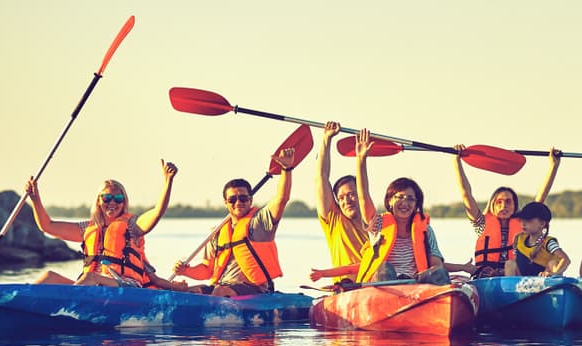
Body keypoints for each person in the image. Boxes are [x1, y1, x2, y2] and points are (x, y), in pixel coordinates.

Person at [25, 159, 178, 287]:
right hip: (94, 288)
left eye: (118, 199)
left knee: (90, 278)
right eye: (106, 198)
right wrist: (35, 198)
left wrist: (168, 182)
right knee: (49, 276)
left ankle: (71, 305)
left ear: (124, 202)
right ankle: (21, 302)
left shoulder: (132, 225)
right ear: (98, 201)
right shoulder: (87, 228)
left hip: (126, 287)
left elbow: (157, 212)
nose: (112, 203)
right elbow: (47, 226)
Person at [173, 148, 296, 297]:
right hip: (221, 287)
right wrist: (186, 271)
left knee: (220, 291)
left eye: (243, 198)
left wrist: (286, 169)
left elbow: (282, 199)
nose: (238, 203)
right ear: (226, 203)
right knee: (187, 291)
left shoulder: (259, 223)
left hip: (254, 289)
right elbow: (206, 270)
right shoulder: (217, 232)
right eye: (232, 199)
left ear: (250, 200)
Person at [353, 130, 448, 284]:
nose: (405, 203)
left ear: (416, 204)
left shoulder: (426, 231)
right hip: (385, 283)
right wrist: (361, 160)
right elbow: (363, 196)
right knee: (385, 268)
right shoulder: (378, 225)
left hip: (415, 285)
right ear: (390, 201)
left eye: (411, 199)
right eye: (400, 197)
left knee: (440, 272)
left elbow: (436, 264)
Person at [453, 145, 561, 277]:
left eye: (508, 201)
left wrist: (553, 166)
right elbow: (466, 194)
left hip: (514, 275)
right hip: (487, 276)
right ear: (492, 205)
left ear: (515, 205)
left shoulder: (524, 224)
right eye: (499, 202)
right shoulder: (481, 223)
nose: (504, 205)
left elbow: (540, 199)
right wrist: (457, 161)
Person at [312, 121, 368, 282]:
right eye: (341, 198)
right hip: (345, 288)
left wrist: (362, 158)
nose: (347, 201)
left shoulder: (377, 224)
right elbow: (321, 177)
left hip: (374, 286)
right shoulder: (334, 220)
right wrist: (326, 139)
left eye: (351, 195)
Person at [503, 201, 570, 277]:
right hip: (522, 279)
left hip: (543, 279)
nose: (523, 224)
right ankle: (510, 284)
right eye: (522, 220)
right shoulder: (519, 239)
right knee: (510, 263)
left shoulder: (548, 243)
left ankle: (554, 280)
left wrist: (554, 274)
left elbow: (566, 260)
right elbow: (516, 260)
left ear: (542, 224)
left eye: (528, 221)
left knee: (553, 263)